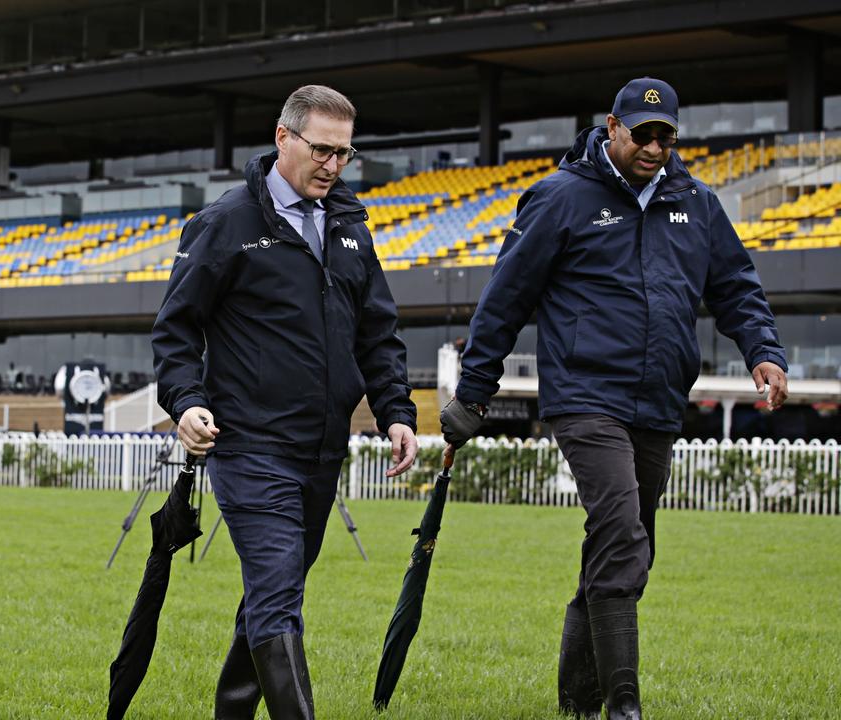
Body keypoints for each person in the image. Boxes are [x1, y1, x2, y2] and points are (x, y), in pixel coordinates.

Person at [440, 77, 788, 720]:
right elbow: (506, 296)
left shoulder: (697, 203)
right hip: (584, 394)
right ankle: (623, 704)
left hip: (658, 398)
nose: (656, 146)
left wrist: (764, 351)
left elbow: (737, 287)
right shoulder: (560, 198)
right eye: (644, 133)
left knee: (626, 548)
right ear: (613, 126)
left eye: (668, 135)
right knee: (622, 534)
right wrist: (474, 392)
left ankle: (578, 700)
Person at [152, 85, 418, 720]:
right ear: (283, 138)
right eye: (321, 150)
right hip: (248, 446)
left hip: (323, 450)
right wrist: (185, 401)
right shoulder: (226, 224)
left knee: (275, 593)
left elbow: (377, 333)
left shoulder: (352, 228)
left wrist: (397, 413)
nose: (332, 165)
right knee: (277, 595)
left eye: (344, 153)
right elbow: (176, 328)